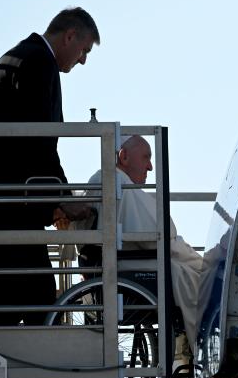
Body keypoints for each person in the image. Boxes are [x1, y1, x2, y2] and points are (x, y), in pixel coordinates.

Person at [0, 7, 98, 325]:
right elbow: (40, 144)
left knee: (7, 309)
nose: (83, 60)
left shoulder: (21, 56)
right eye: (83, 49)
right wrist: (64, 200)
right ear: (70, 36)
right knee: (43, 309)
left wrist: (56, 199)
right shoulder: (40, 63)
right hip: (13, 207)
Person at [83, 135, 203, 359]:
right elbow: (157, 238)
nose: (150, 165)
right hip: (130, 267)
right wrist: (198, 260)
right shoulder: (119, 183)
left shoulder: (105, 180)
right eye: (146, 157)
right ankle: (199, 350)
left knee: (192, 271)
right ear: (123, 156)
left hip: (116, 264)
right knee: (199, 278)